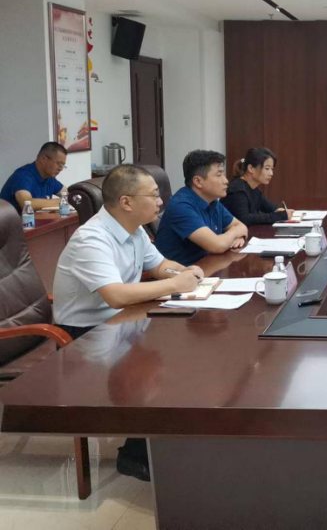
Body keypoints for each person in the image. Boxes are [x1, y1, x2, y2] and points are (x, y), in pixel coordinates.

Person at [52, 164, 205, 481]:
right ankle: (135, 456)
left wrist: (185, 273)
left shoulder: (135, 230)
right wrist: (174, 284)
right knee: (154, 375)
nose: (161, 201)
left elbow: (160, 266)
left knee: (183, 359)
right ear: (126, 202)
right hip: (84, 337)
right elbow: (116, 295)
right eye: (153, 195)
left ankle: (170, 447)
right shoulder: (92, 239)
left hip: (123, 324)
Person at [154, 150, 248, 266]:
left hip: (206, 267)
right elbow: (217, 245)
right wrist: (234, 233)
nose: (226, 181)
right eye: (219, 175)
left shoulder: (213, 202)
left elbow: (241, 226)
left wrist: (238, 237)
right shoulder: (181, 206)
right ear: (198, 181)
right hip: (180, 273)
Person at [222, 147, 294, 226]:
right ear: (251, 168)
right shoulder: (237, 190)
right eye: (267, 169)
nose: (271, 173)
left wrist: (280, 211)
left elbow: (270, 208)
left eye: (272, 169)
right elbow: (244, 219)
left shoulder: (255, 189)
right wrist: (279, 216)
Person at [0, 142, 68, 212]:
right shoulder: (23, 176)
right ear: (43, 159)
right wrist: (60, 201)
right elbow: (26, 204)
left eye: (62, 165)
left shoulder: (49, 178)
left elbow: (69, 194)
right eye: (58, 163)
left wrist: (72, 195)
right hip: (14, 219)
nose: (60, 169)